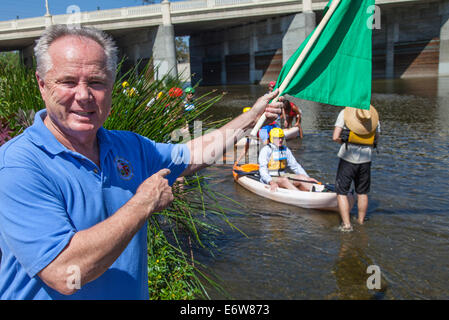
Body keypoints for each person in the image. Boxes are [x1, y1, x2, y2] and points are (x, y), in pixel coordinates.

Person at [0, 25, 282, 300]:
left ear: (111, 85)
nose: (84, 95)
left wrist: (252, 118)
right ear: (42, 84)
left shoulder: (129, 145)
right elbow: (64, 273)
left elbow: (193, 154)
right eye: (68, 81)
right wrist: (143, 203)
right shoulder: (18, 166)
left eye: (96, 82)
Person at [332, 105, 380, 232]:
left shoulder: (344, 113)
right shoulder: (373, 117)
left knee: (341, 192)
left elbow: (335, 137)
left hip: (348, 159)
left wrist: (344, 141)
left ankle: (347, 225)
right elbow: (377, 138)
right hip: (366, 160)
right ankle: (361, 221)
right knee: (362, 193)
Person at [258, 128, 319, 192]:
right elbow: (263, 169)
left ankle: (315, 191)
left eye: (281, 138)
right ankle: (298, 194)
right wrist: (270, 181)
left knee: (302, 177)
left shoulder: (285, 149)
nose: (280, 140)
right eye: (277, 138)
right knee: (284, 180)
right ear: (272, 138)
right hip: (270, 177)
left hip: (283, 175)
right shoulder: (266, 150)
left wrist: (308, 178)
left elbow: (295, 166)